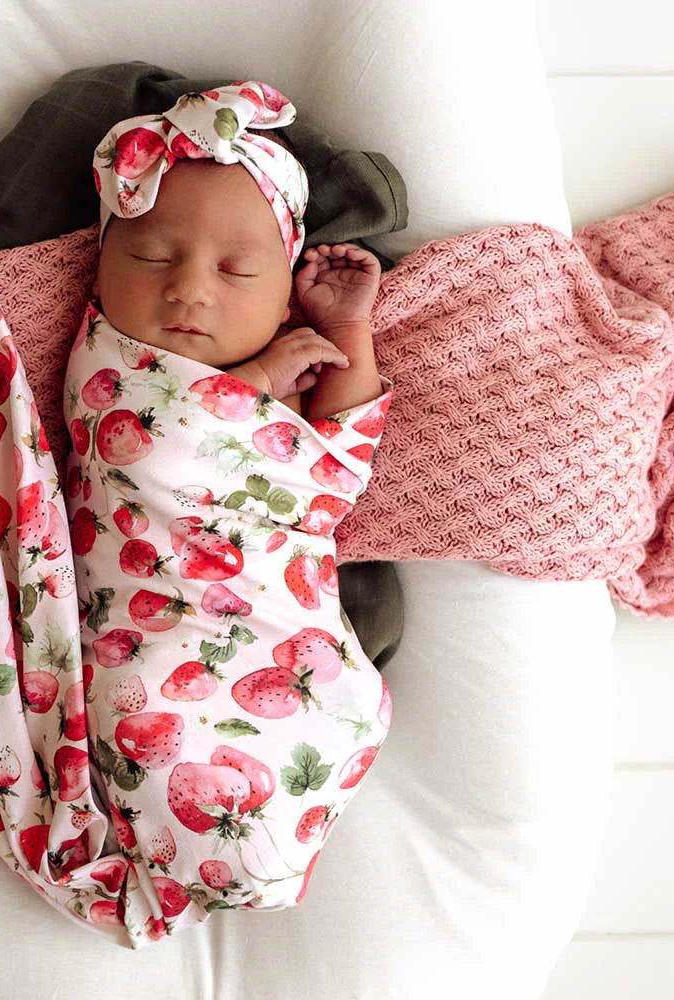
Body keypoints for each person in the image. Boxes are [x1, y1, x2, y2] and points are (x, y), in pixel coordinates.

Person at [59, 80, 396, 944]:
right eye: (150, 258)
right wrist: (250, 388)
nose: (188, 293)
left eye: (236, 270)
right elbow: (144, 448)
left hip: (271, 597)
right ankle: (196, 848)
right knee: (148, 723)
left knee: (333, 697)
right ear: (99, 272)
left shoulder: (285, 359)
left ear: (284, 295)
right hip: (150, 614)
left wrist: (347, 333)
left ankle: (261, 848)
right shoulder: (109, 366)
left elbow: (340, 463)